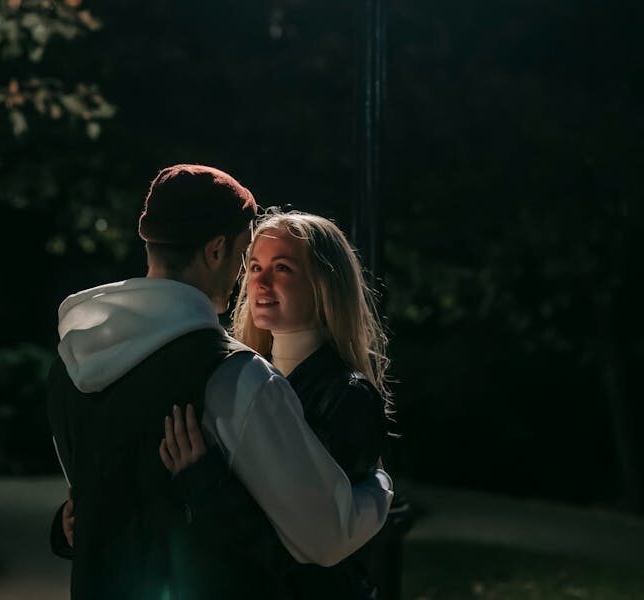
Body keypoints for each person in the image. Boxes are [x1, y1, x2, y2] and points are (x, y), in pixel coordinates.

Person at [47, 165, 394, 600]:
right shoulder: (235, 376)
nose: (246, 277)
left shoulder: (69, 367)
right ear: (216, 251)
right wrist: (379, 490)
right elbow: (325, 537)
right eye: (243, 257)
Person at [159, 209, 393, 599]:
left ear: (323, 283)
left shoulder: (348, 396)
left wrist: (204, 482)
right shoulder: (230, 379)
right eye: (253, 267)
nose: (260, 282)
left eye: (282, 268)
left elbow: (304, 548)